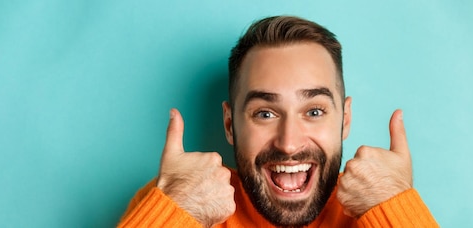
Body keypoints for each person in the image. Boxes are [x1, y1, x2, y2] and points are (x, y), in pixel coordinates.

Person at [118, 15, 438, 227]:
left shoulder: (383, 211)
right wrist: (176, 211)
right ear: (230, 125)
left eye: (313, 112)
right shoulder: (176, 204)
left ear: (345, 119)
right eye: (265, 114)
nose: (288, 143)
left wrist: (393, 208)